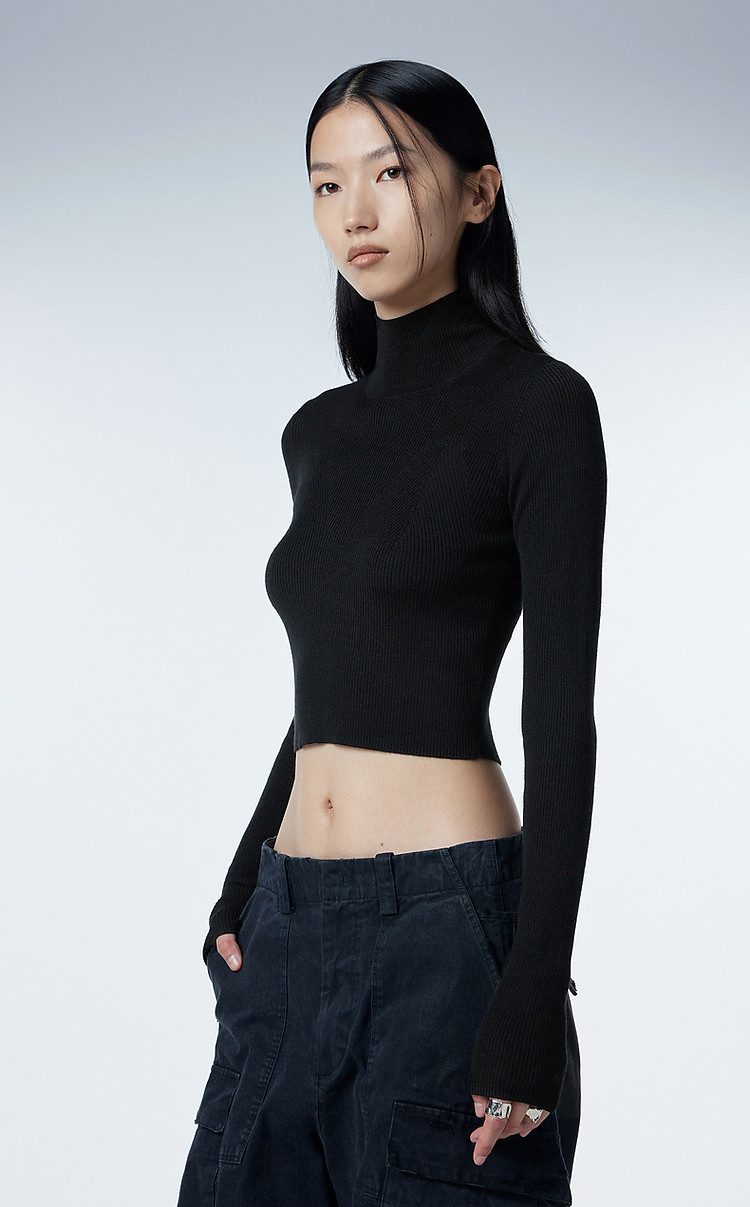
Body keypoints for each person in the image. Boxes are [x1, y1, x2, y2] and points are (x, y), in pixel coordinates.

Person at [177, 58, 607, 1207]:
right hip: (285, 923)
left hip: (445, 929)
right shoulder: (316, 433)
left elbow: (561, 718)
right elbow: (340, 682)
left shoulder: (541, 408)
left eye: (391, 172)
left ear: (478, 193)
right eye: (326, 184)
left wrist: (532, 991)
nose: (354, 212)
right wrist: (244, 877)